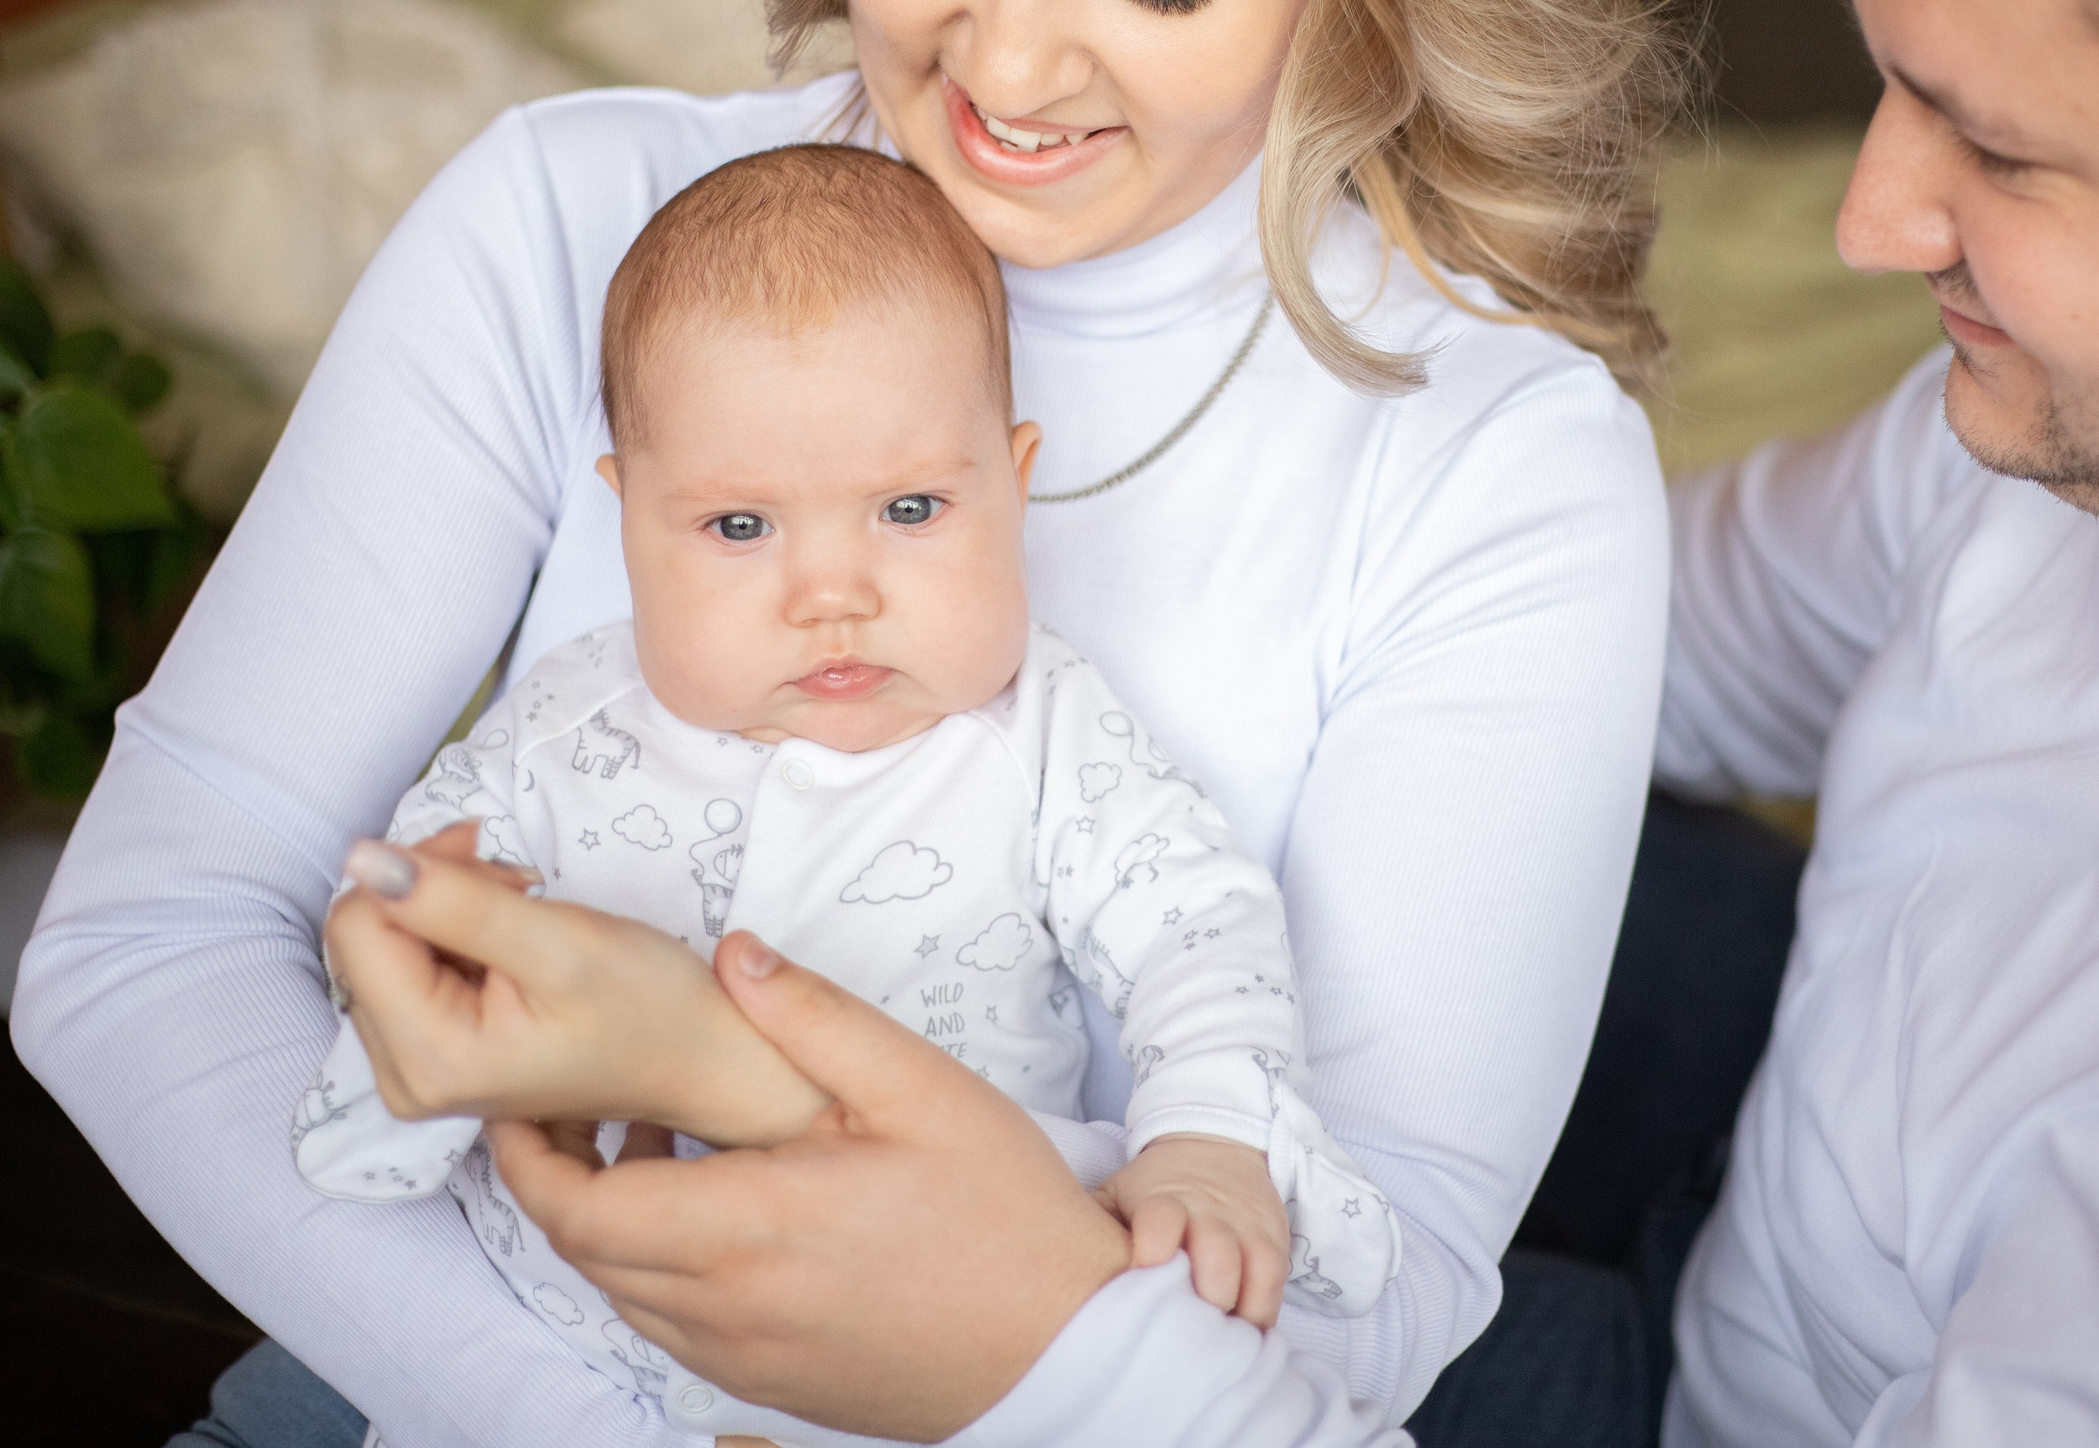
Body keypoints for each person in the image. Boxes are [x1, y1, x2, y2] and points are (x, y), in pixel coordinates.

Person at [310, 0, 2099, 1444]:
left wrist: (1038, 1336)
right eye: (1890, 88)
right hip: (1770, 1131)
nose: (1864, 222)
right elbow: (1685, 641)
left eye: (2000, 152)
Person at [12, 0, 1683, 1445]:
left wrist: (760, 1121)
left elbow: (1365, 1269)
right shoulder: (568, 224)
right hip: (417, 1360)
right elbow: (150, 937)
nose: (1010, 63)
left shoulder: (1503, 464)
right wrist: (585, 1418)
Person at [294, 143, 1399, 1442]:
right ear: (626, 514)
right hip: (565, 1352)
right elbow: (413, 904)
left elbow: (1198, 925)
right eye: (741, 528)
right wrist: (423, 946)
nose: (833, 594)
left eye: (913, 507)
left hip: (933, 1352)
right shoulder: (563, 725)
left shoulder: (1039, 732)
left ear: (1016, 478)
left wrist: (1210, 1133)